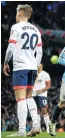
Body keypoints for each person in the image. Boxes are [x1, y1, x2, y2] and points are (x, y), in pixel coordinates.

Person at [3, 4, 42, 137]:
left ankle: (21, 131)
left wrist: (6, 62)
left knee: (20, 99)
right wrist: (36, 67)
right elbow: (40, 51)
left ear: (19, 13)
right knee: (29, 96)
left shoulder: (16, 27)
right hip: (32, 67)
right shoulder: (36, 30)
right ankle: (36, 124)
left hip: (20, 66)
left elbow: (10, 47)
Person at [33, 63, 51, 133]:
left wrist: (41, 90)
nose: (37, 65)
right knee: (36, 111)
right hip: (34, 94)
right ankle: (38, 129)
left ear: (42, 65)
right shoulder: (33, 73)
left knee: (44, 110)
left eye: (39, 64)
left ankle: (48, 128)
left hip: (42, 95)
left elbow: (49, 85)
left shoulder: (45, 74)